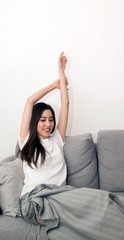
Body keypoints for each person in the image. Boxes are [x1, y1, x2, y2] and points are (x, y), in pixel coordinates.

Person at [19, 52, 69, 224]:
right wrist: (54, 85)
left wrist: (61, 72)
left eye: (51, 119)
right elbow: (30, 101)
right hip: (34, 199)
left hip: (59, 196)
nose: (48, 124)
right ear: (35, 122)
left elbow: (65, 104)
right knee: (63, 219)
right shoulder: (27, 140)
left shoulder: (57, 139)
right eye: (42, 120)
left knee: (94, 205)